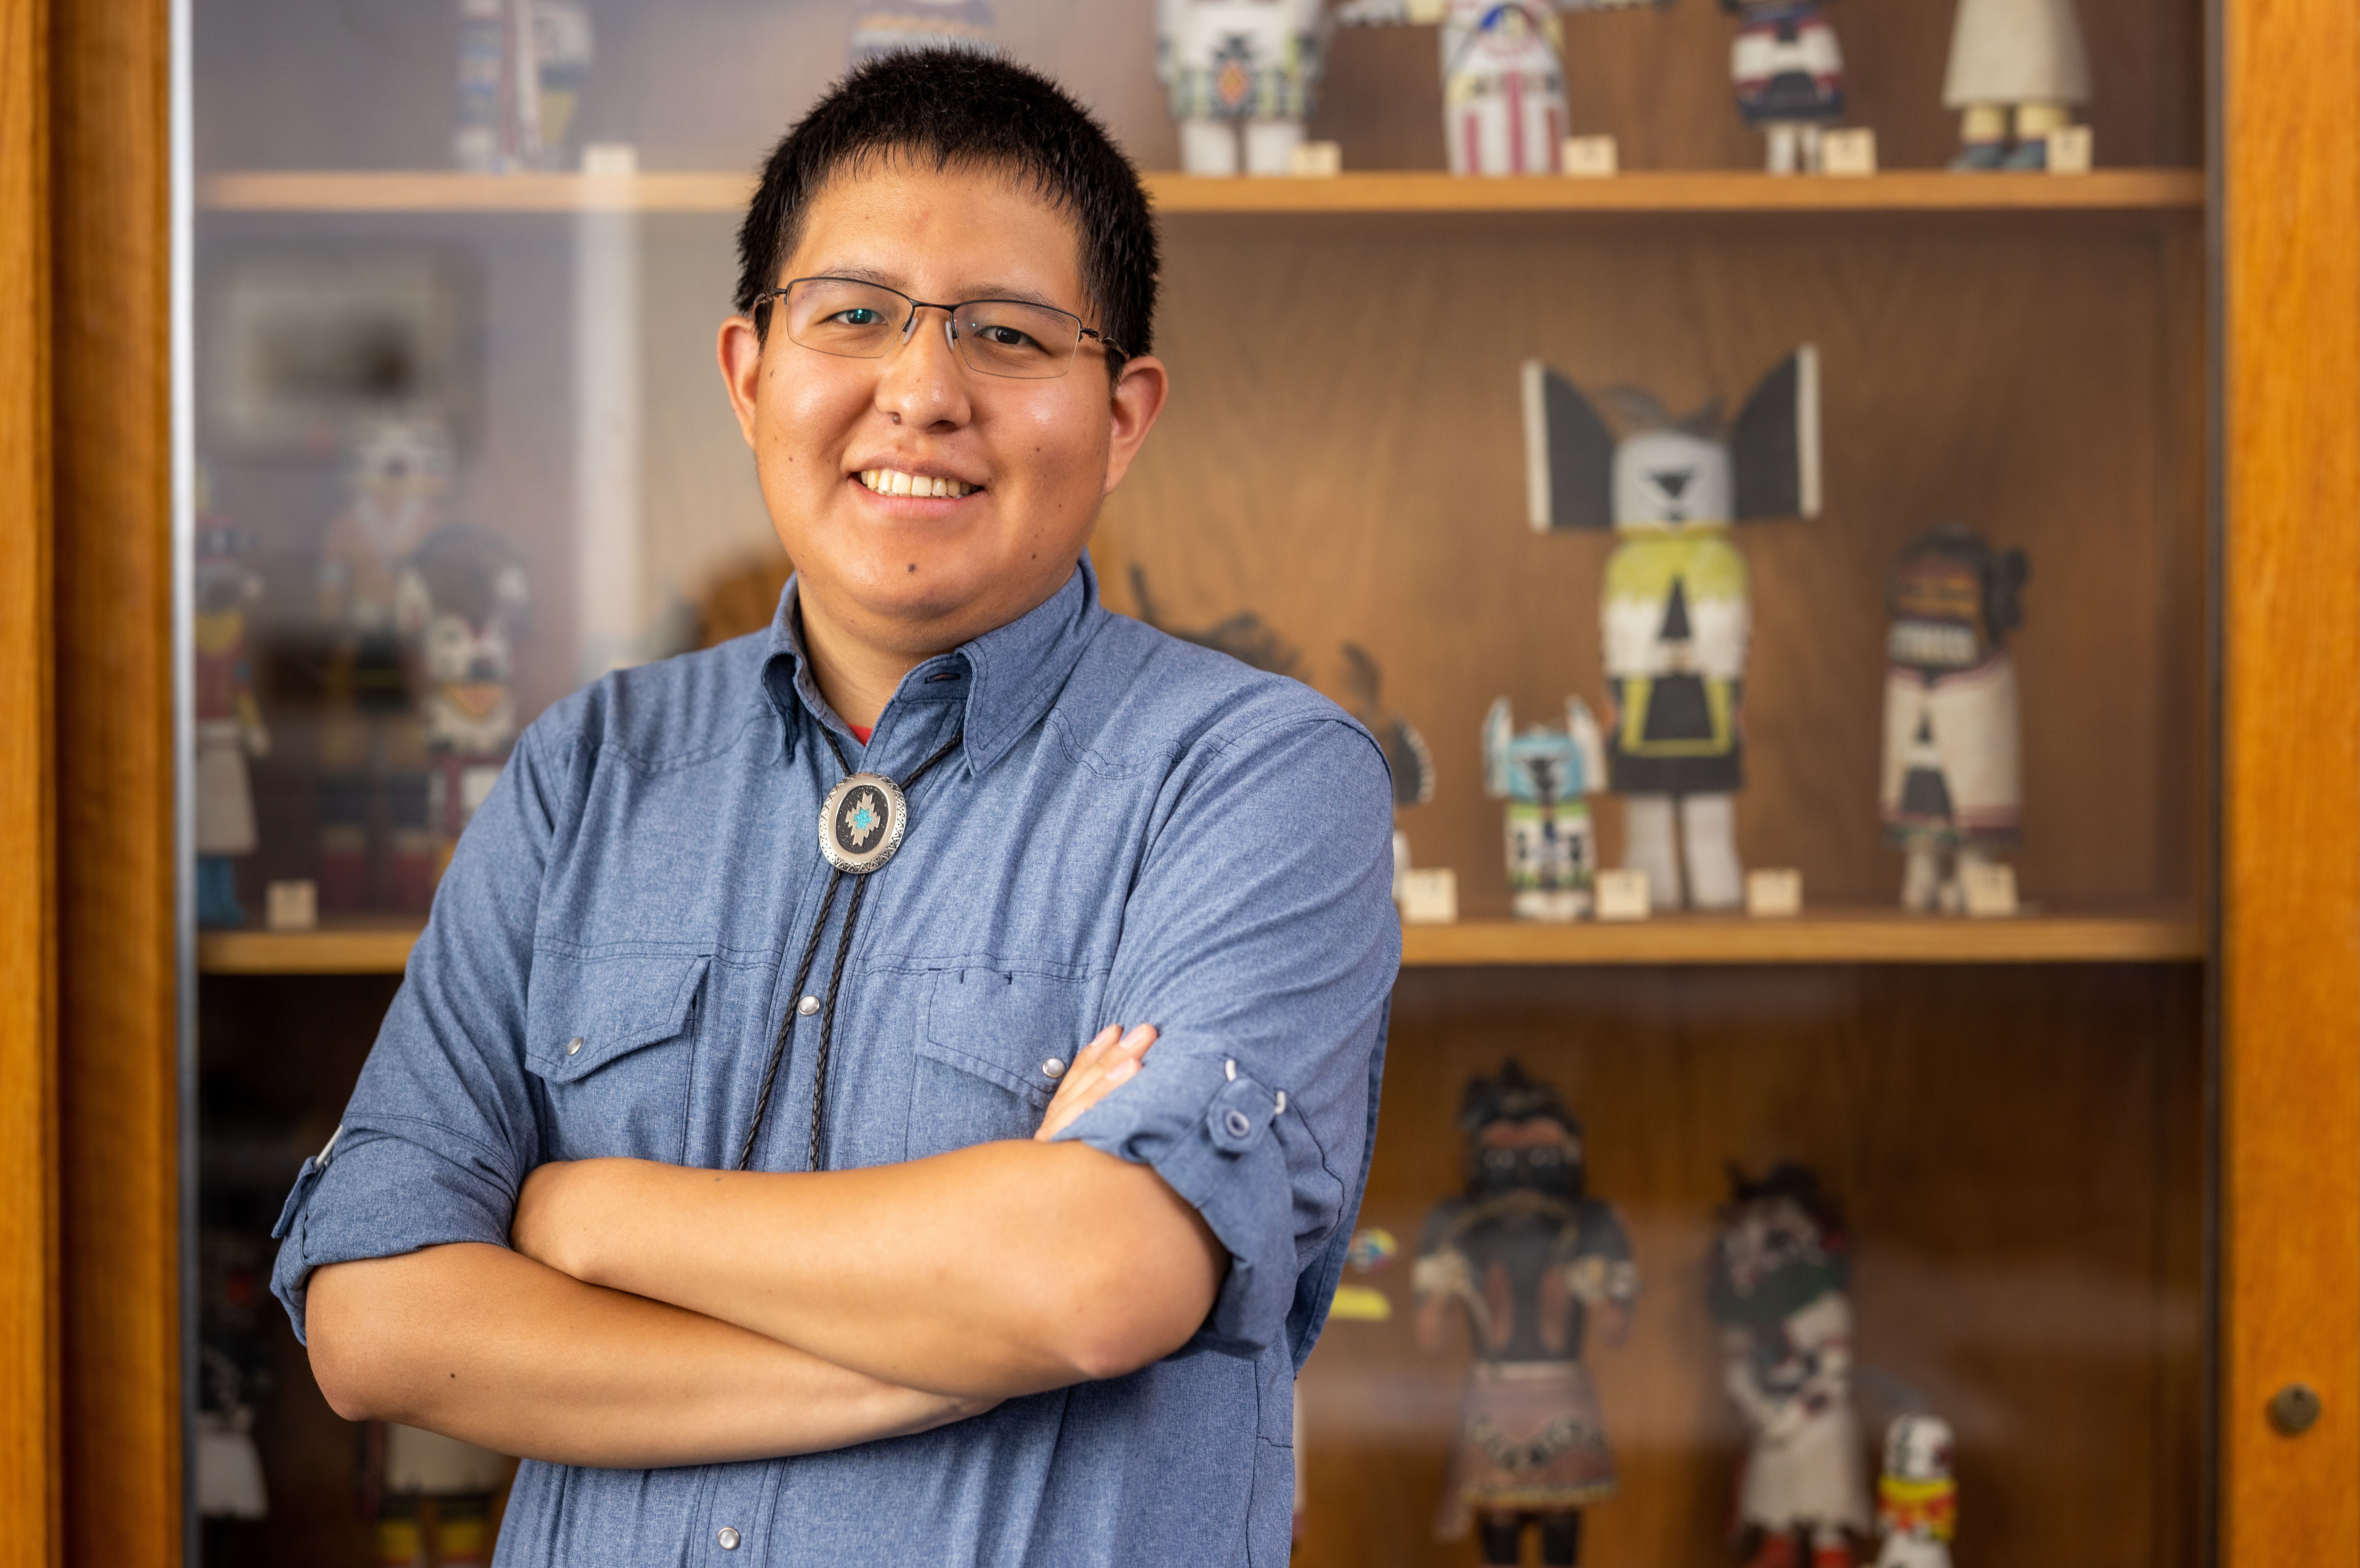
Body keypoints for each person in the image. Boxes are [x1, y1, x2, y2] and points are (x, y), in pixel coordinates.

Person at [270, 48, 1400, 1567]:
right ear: (750, 375)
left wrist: (587, 1214)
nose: (921, 393)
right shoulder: (586, 774)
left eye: (1006, 334)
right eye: (853, 316)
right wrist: (954, 1341)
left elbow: (1095, 1282)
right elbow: (377, 1320)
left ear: (1122, 416)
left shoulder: (1256, 774)